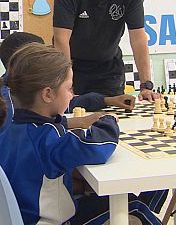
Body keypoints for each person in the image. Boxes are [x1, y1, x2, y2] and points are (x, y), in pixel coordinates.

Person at [0, 43, 163, 225]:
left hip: (22, 216)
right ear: (47, 95)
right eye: (69, 88)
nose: (72, 95)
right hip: (46, 221)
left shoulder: (10, 128)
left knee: (122, 201)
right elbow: (96, 148)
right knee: (134, 207)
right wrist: (108, 121)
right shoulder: (47, 139)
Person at [0, 31, 136, 131]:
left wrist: (108, 100)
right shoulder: (7, 104)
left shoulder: (25, 91)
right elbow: (36, 127)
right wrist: (77, 122)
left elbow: (70, 102)